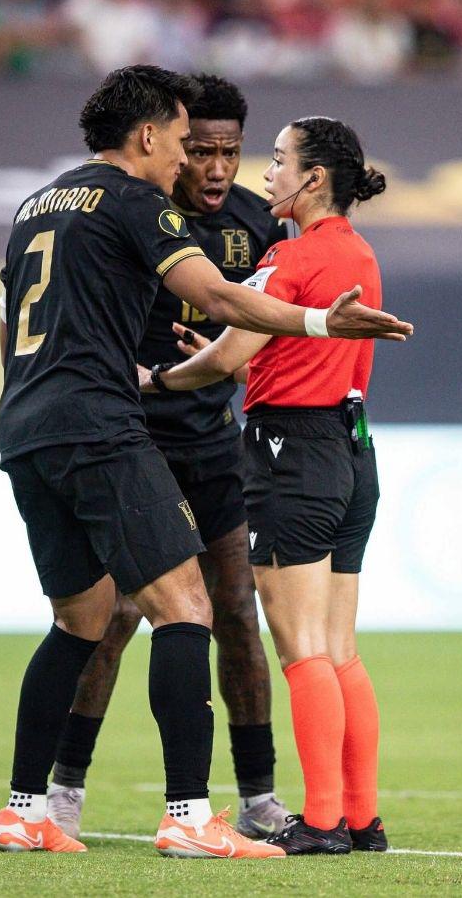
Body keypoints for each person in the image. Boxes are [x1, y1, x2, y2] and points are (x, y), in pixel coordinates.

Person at [0, 65, 411, 858]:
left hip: (30, 424)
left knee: (79, 619)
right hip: (116, 428)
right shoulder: (137, 199)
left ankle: (25, 807)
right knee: (189, 608)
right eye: (186, 143)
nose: (196, 161)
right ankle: (190, 817)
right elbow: (220, 303)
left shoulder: (35, 203)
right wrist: (322, 323)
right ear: (148, 135)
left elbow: (7, 316)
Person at [139, 116, 401, 855]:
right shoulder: (358, 251)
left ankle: (320, 823)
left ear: (315, 178)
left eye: (279, 161)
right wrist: (230, 358)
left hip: (293, 455)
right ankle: (361, 817)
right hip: (351, 450)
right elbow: (276, 362)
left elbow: (229, 356)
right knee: (340, 645)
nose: (266, 174)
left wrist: (158, 376)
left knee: (300, 646)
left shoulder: (289, 254)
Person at [46, 73, 289, 841]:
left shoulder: (257, 225)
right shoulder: (126, 211)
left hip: (213, 446)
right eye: (200, 149)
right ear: (170, 145)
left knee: (236, 617)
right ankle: (64, 789)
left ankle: (257, 798)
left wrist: (243, 363)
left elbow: (263, 344)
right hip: (131, 440)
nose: (215, 167)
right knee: (115, 616)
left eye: (231, 152)